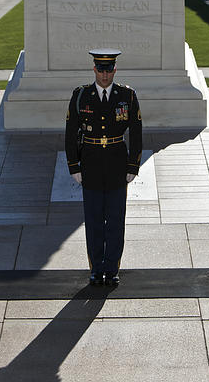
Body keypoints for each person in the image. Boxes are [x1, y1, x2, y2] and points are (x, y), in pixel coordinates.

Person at [65, 49, 142, 286]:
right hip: (91, 163)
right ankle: (97, 269)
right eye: (101, 70)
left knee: (116, 220)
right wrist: (74, 166)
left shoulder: (127, 95)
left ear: (115, 70)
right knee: (94, 220)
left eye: (109, 70)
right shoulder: (81, 96)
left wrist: (133, 166)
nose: (105, 75)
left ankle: (112, 268)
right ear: (94, 69)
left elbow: (137, 133)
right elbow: (70, 134)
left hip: (118, 164)